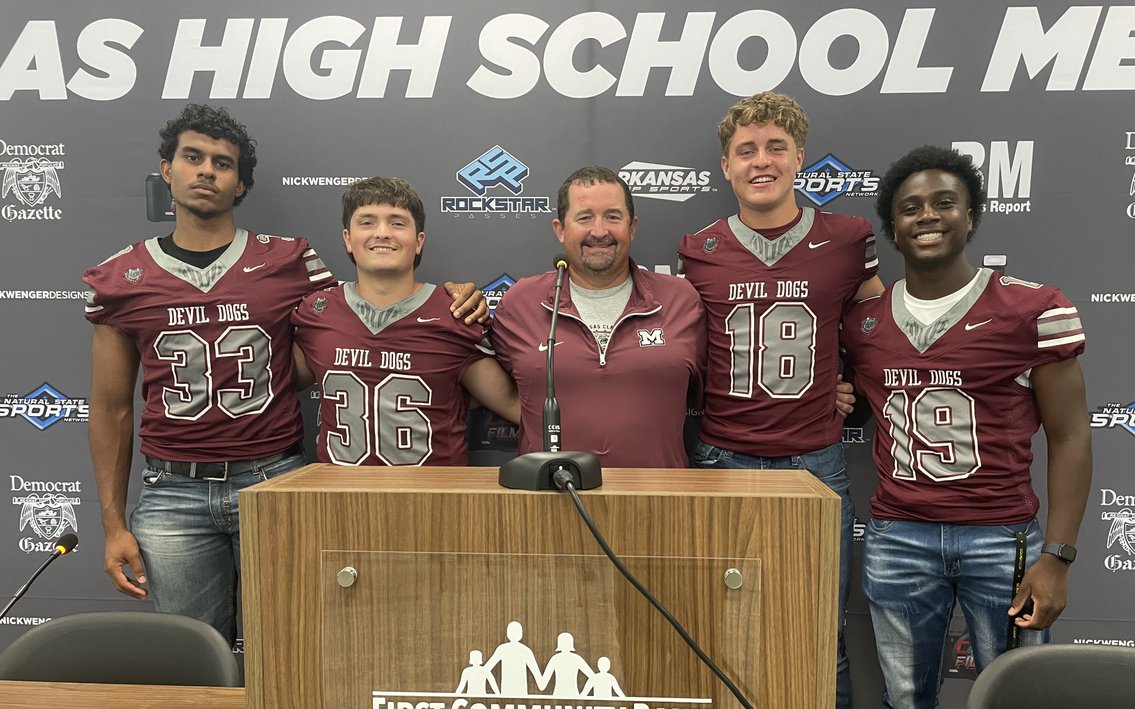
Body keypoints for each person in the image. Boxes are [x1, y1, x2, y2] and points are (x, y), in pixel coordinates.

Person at [83, 106, 483, 643]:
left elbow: (356, 324)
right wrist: (112, 525)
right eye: (192, 158)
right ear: (166, 169)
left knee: (292, 647)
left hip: (275, 476)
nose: (206, 172)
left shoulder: (289, 261)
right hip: (173, 491)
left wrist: (451, 300)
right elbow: (109, 406)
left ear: (241, 182)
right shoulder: (120, 276)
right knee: (191, 656)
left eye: (222, 164)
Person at [841, 145, 1090, 709]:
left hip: (1001, 538)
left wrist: (1057, 555)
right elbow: (848, 400)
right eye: (910, 208)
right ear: (893, 231)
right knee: (905, 705)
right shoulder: (863, 325)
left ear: (971, 215)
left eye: (943, 202)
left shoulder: (1029, 311)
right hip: (899, 534)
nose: (927, 215)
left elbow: (1072, 435)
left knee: (1017, 708)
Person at [678, 92, 884, 709]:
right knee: (722, 630)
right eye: (746, 151)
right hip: (721, 460)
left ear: (799, 157)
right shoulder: (700, 249)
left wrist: (854, 387)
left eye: (774, 148)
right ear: (725, 166)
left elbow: (879, 326)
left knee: (820, 633)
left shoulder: (848, 239)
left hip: (812, 463)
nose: (760, 161)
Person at [489, 165, 706, 467]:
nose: (600, 231)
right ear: (560, 229)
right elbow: (467, 365)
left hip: (660, 502)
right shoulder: (520, 303)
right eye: (585, 217)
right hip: (549, 500)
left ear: (632, 227)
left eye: (613, 217)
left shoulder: (682, 300)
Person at [292, 177, 518, 465]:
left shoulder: (454, 314)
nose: (383, 233)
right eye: (367, 222)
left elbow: (514, 404)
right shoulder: (317, 312)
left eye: (398, 223)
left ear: (418, 241)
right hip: (341, 502)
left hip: (432, 501)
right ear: (348, 239)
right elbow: (271, 386)